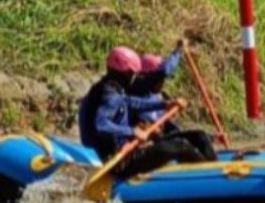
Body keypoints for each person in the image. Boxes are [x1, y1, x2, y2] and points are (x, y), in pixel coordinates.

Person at [77, 46, 211, 179]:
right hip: (119, 161)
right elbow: (101, 124)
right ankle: (209, 177)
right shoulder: (109, 94)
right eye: (133, 74)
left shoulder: (111, 88)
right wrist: (132, 131)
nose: (135, 77)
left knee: (190, 140)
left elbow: (131, 102)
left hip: (124, 152)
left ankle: (205, 171)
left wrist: (164, 104)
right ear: (127, 73)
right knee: (180, 145)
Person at [131, 45, 217, 162]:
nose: (162, 84)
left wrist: (211, 136)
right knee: (193, 139)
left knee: (201, 136)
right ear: (149, 77)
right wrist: (179, 50)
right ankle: (209, 170)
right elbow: (165, 70)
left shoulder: (159, 95)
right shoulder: (138, 89)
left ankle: (212, 166)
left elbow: (170, 126)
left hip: (163, 137)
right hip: (150, 142)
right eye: (160, 80)